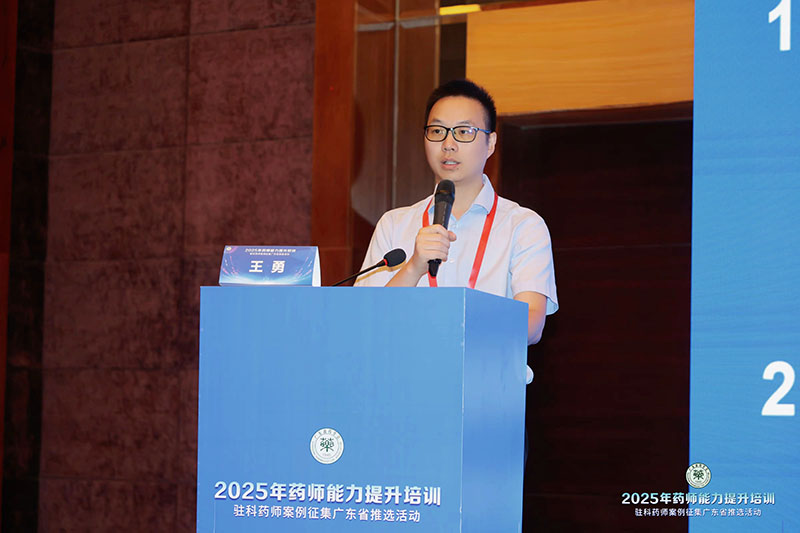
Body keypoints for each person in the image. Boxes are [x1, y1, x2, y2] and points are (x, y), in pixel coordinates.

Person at [354, 79, 558, 344]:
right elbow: (365, 320)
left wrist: (453, 329)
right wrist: (413, 267)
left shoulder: (523, 226)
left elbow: (531, 325)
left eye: (463, 132)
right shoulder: (393, 224)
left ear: (491, 143)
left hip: (485, 369)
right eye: (437, 131)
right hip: (408, 369)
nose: (448, 144)